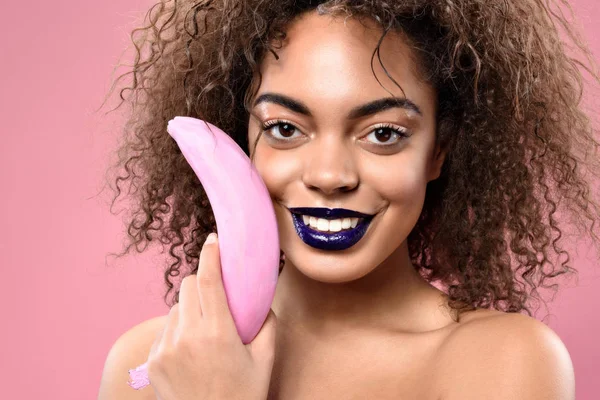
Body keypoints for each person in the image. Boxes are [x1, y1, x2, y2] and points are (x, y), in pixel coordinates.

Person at [98, 0, 600, 398]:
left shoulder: (503, 362)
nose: (329, 175)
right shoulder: (150, 365)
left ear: (437, 152)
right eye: (285, 128)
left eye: (383, 133)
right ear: (239, 142)